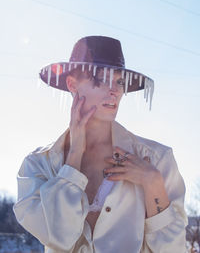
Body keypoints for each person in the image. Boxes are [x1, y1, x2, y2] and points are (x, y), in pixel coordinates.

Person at [13, 36, 188, 253]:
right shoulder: (38, 165)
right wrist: (75, 154)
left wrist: (152, 182)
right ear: (72, 85)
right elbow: (60, 238)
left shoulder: (156, 158)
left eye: (119, 81)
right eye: (102, 79)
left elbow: (173, 250)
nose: (114, 90)